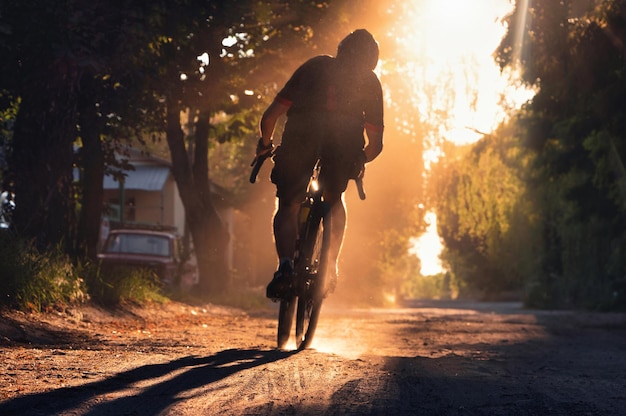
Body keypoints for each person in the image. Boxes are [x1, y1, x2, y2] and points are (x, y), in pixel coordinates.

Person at [256, 29, 385, 300]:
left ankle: (285, 267)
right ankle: (330, 267)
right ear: (372, 60)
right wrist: (360, 159)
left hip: (301, 135)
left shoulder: (314, 67)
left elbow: (270, 117)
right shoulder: (370, 82)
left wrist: (265, 144)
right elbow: (375, 145)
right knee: (334, 199)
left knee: (289, 203)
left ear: (341, 49)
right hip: (344, 143)